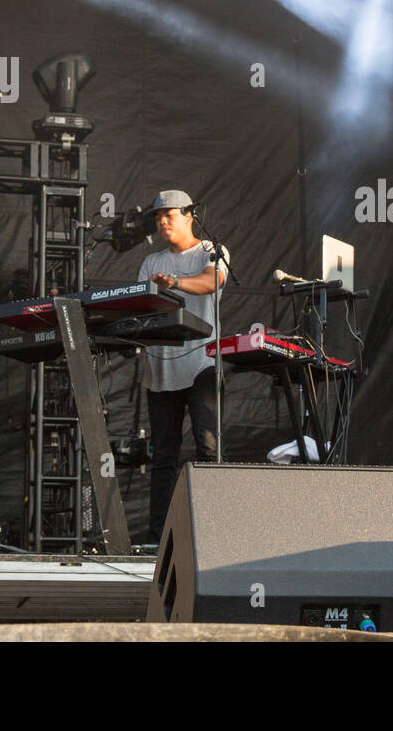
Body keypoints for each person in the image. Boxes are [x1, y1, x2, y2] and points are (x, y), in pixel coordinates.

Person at [137, 189, 229, 541]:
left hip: (202, 363)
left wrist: (174, 284)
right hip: (161, 370)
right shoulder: (150, 263)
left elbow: (212, 282)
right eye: (158, 218)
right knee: (163, 458)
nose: (162, 222)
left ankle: (212, 535)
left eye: (169, 215)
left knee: (208, 449)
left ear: (190, 215)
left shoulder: (211, 252)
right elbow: (141, 306)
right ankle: (157, 538)